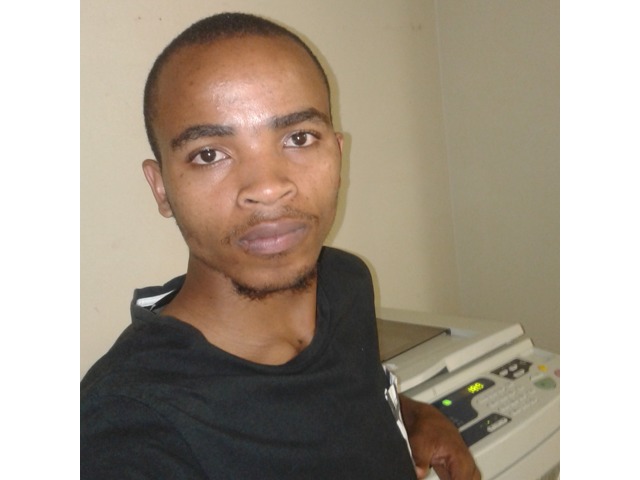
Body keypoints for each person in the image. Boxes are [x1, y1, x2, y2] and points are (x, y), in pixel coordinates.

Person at [81, 12, 480, 480]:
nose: (268, 187)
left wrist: (409, 416)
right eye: (209, 154)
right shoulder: (131, 425)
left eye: (299, 138)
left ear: (338, 155)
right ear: (161, 188)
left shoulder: (343, 282)